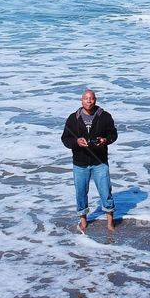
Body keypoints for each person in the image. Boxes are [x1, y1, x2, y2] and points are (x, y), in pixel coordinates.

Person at [61, 89, 118, 232]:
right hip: (80, 163)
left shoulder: (104, 116)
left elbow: (113, 134)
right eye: (86, 98)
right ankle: (83, 220)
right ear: (81, 100)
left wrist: (105, 140)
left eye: (91, 98)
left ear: (95, 100)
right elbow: (65, 139)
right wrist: (76, 142)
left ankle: (110, 222)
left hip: (100, 162)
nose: (88, 101)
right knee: (80, 193)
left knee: (106, 192)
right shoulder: (73, 118)